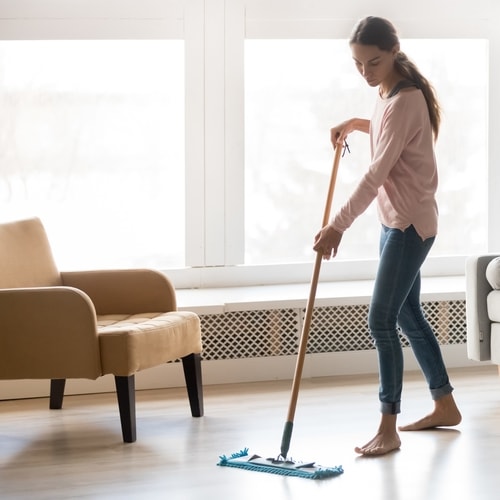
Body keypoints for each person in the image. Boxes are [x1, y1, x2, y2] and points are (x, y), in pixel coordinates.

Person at [313, 16, 462, 456]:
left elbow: (376, 172)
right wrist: (356, 123)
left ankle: (387, 426)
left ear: (394, 49)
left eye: (373, 62)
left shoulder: (406, 100)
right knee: (408, 315)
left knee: (381, 319)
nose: (366, 72)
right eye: (358, 64)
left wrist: (336, 224)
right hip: (396, 222)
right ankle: (445, 404)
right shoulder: (388, 92)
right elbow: (387, 126)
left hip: (409, 226)